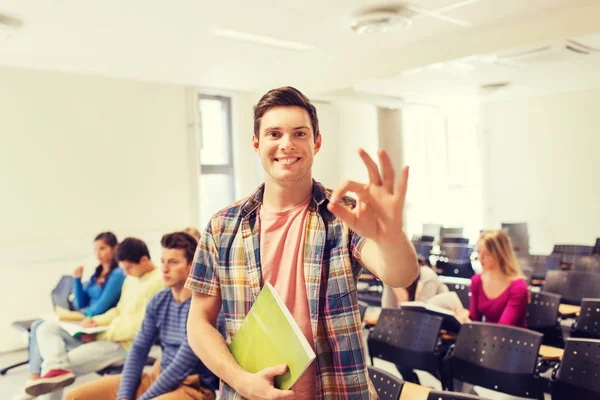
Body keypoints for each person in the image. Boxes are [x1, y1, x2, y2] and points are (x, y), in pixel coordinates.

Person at [185, 86, 419, 400]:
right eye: (273, 134)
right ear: (256, 143)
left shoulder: (343, 215)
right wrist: (241, 381)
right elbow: (199, 323)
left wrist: (390, 237)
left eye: (299, 133)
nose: (286, 144)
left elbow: (400, 275)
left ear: (316, 142)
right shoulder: (222, 227)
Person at [65, 232, 223, 400]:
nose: (165, 268)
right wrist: (124, 397)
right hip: (157, 376)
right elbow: (138, 349)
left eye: (173, 262)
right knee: (75, 397)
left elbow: (181, 366)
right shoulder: (159, 301)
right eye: (163, 261)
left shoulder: (204, 306)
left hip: (193, 387)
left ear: (192, 266)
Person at [23, 238, 164, 398]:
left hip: (124, 345)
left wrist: (98, 334)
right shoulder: (131, 279)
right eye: (123, 269)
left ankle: (55, 369)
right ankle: (57, 366)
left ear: (144, 260)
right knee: (46, 328)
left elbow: (140, 327)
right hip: (107, 335)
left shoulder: (158, 282)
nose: (125, 273)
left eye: (129, 268)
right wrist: (96, 322)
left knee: (49, 372)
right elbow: (118, 311)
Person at [15, 232, 126, 400]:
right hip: (85, 319)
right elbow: (81, 301)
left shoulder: (118, 274)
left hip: (96, 325)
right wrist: (77, 279)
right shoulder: (97, 273)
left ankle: (37, 378)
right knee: (41, 326)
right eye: (95, 249)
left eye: (102, 248)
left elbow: (102, 306)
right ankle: (35, 375)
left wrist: (81, 316)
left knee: (51, 364)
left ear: (115, 248)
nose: (98, 253)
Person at [460, 230, 528, 327]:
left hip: (511, 339)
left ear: (500, 255)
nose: (480, 257)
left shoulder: (518, 287)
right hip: (487, 337)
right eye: (479, 252)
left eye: (486, 254)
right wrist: (465, 318)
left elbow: (503, 328)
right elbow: (475, 319)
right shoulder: (477, 281)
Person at [381, 256, 449, 308]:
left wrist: (403, 301)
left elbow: (422, 312)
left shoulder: (428, 277)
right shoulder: (391, 276)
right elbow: (387, 309)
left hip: (441, 318)